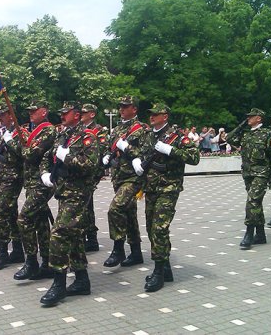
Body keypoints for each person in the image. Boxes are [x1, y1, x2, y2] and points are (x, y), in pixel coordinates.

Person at [132, 103, 200, 292]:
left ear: (165, 116)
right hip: (151, 188)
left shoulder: (177, 136)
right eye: (151, 114)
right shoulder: (148, 135)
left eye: (156, 114)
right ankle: (167, 267)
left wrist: (171, 150)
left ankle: (159, 271)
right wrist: (136, 160)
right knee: (150, 227)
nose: (152, 117)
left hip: (169, 188)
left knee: (159, 228)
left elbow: (194, 157)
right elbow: (139, 152)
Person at [38, 101, 99, 306]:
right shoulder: (62, 135)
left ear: (77, 114)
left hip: (79, 194)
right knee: (73, 236)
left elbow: (90, 165)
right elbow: (47, 157)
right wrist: (45, 173)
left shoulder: (87, 136)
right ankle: (82, 280)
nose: (62, 116)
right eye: (61, 112)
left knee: (59, 233)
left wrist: (69, 157)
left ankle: (59, 282)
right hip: (63, 192)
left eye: (66, 113)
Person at [101, 96, 146, 268]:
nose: (121, 109)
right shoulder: (118, 129)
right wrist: (106, 155)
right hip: (118, 176)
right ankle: (136, 253)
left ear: (134, 109)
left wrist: (126, 147)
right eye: (120, 106)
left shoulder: (142, 129)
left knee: (115, 209)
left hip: (133, 177)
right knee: (129, 214)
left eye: (125, 107)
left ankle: (118, 248)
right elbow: (109, 146)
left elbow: (145, 151)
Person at [226, 108, 271, 250]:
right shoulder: (246, 134)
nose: (248, 118)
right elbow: (229, 138)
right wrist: (241, 125)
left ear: (259, 119)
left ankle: (249, 233)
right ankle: (261, 234)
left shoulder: (267, 134)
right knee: (256, 204)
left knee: (252, 201)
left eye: (251, 117)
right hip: (248, 174)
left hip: (261, 174)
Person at [14, 100, 56, 281]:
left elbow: (31, 154)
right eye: (29, 111)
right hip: (31, 183)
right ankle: (47, 263)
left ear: (44, 112)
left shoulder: (48, 130)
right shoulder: (34, 130)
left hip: (41, 183)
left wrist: (21, 147)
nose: (30, 114)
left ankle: (31, 262)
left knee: (24, 219)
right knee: (40, 223)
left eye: (34, 111)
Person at [0, 104, 26, 271]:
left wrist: (10, 141)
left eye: (4, 115)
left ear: (11, 116)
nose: (1, 118)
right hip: (3, 178)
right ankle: (17, 250)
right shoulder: (3, 132)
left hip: (14, 178)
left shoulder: (20, 132)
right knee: (10, 214)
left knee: (0, 213)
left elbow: (23, 153)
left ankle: (2, 251)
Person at [80, 103, 108, 252]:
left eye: (84, 112)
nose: (81, 114)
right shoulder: (80, 130)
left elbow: (102, 149)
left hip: (91, 172)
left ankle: (91, 238)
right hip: (81, 172)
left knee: (86, 205)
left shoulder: (99, 131)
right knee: (86, 206)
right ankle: (89, 237)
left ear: (92, 114)